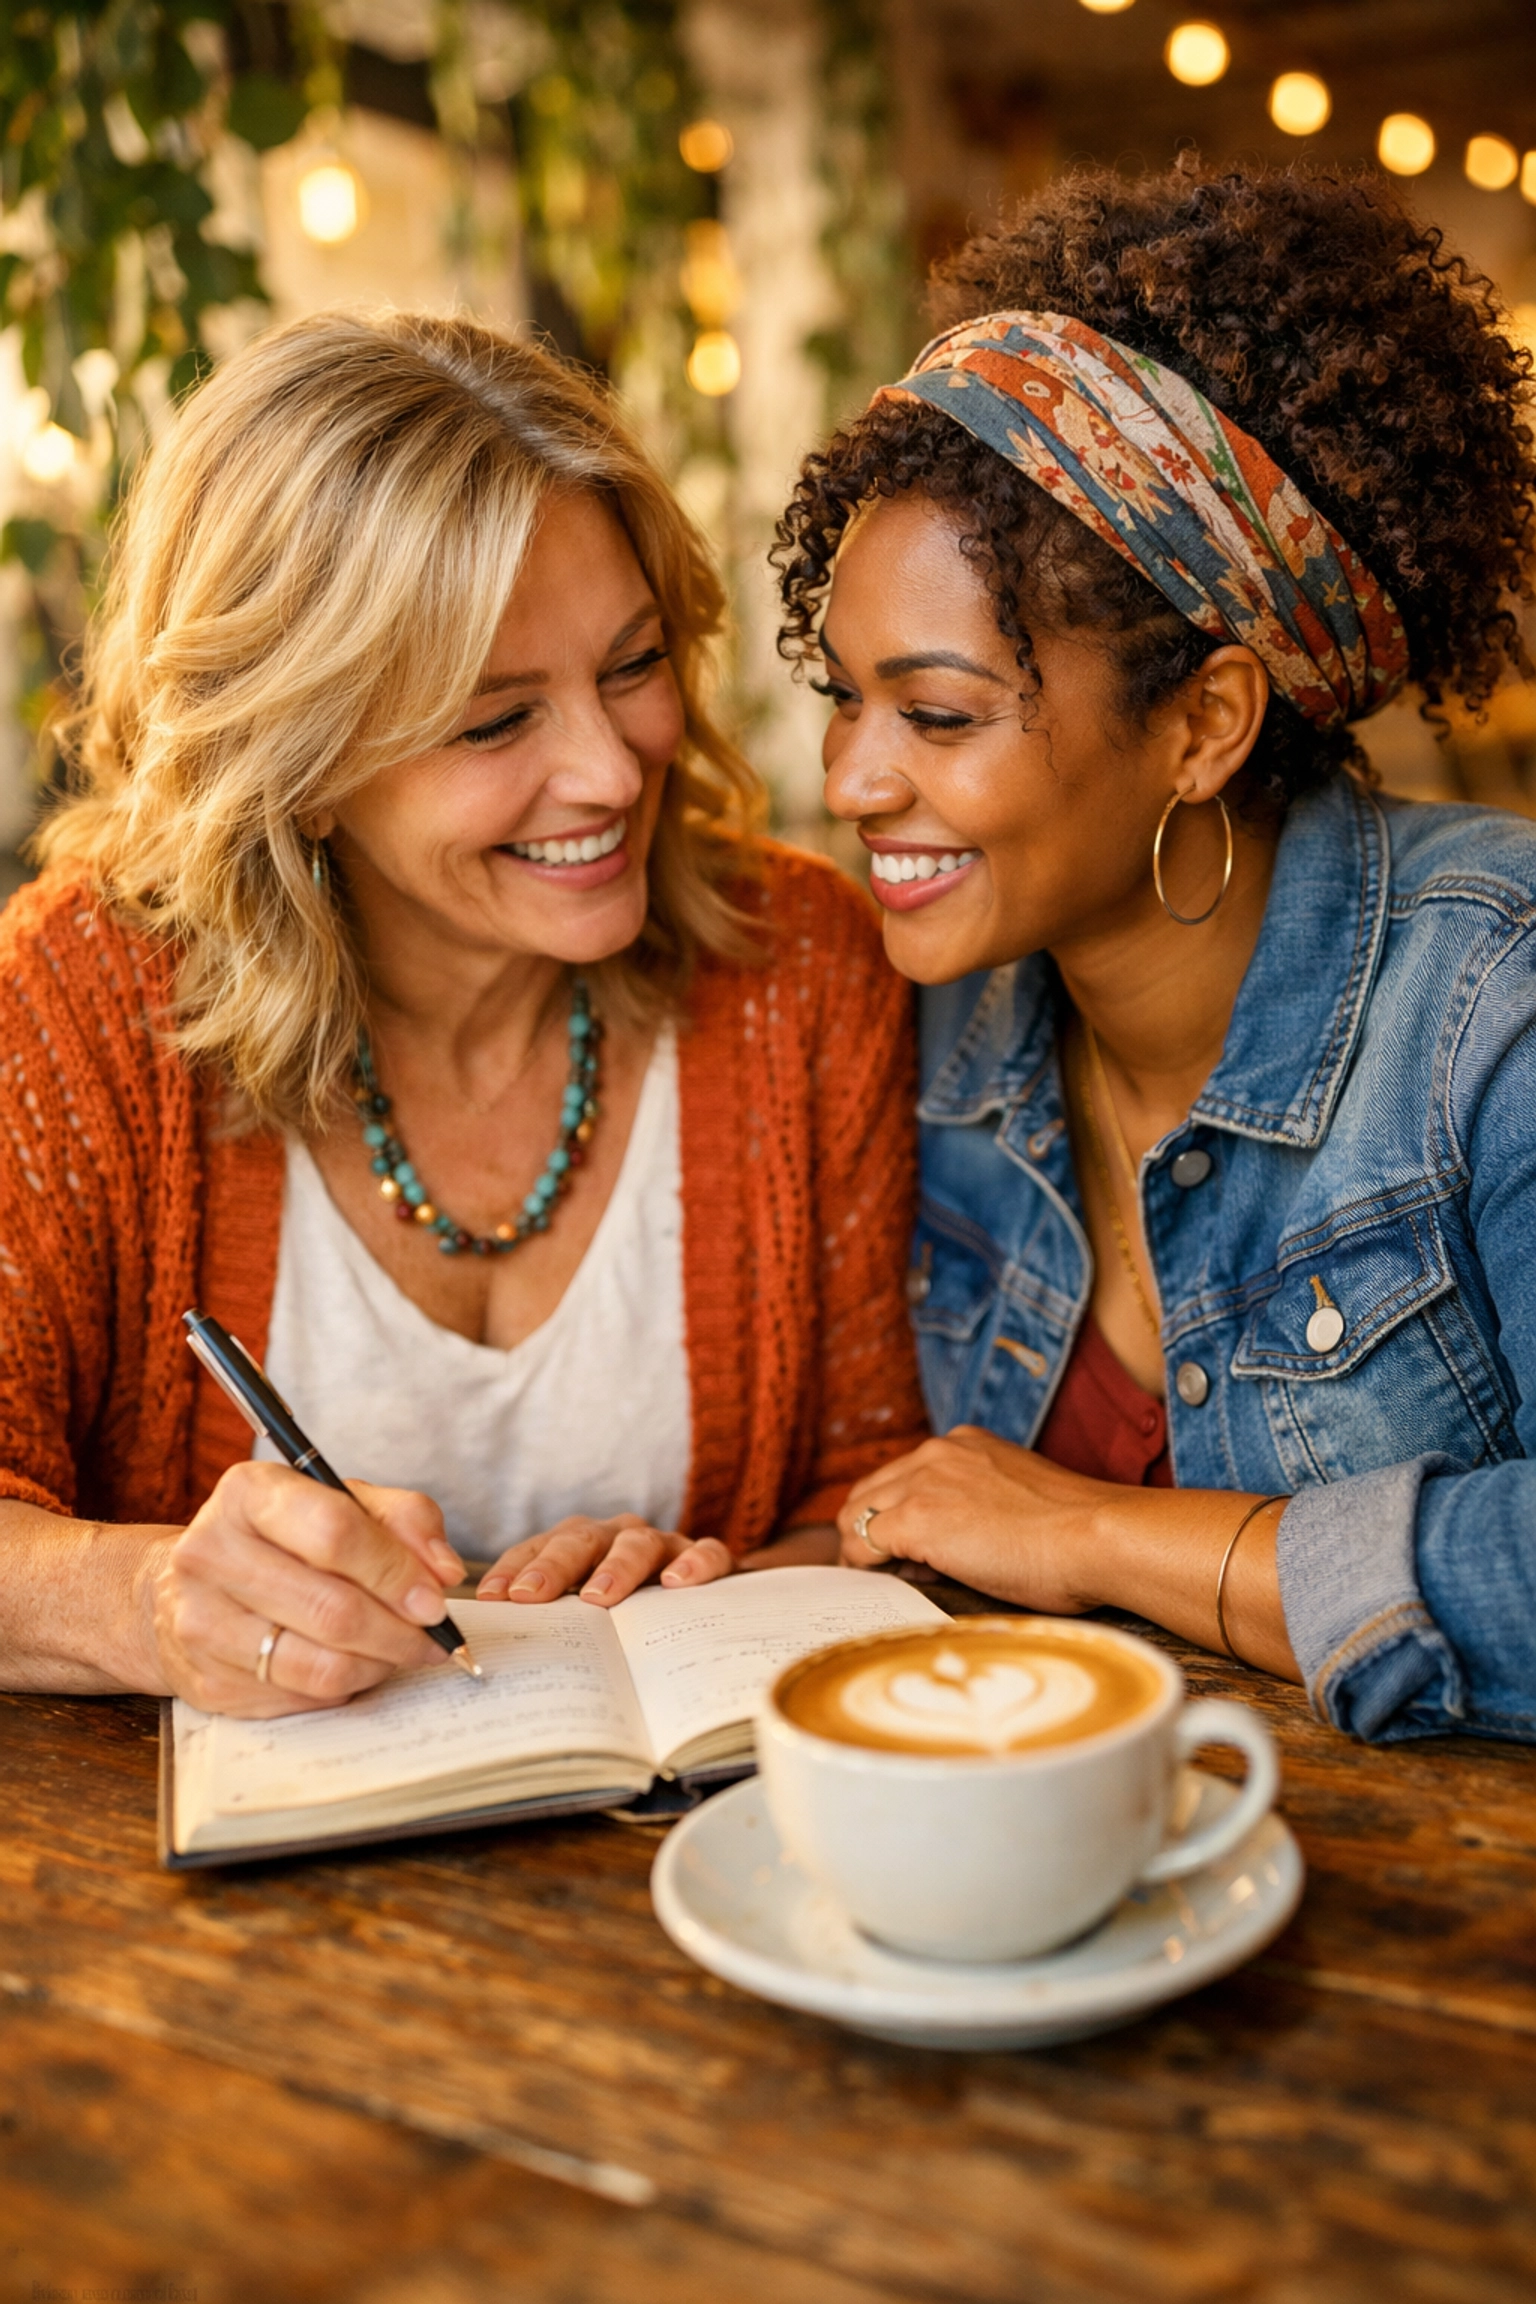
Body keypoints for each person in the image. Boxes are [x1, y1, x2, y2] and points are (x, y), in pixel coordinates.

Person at [0, 311, 924, 1716]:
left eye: (631, 667)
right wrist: (147, 1600)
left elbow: (877, 1494)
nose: (612, 773)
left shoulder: (802, 968)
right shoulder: (77, 1007)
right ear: (296, 764)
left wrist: (710, 1577)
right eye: (496, 723)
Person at [775, 158, 1536, 1743]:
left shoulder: (1492, 1010)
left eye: (938, 716)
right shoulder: (940, 1033)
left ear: (1204, 724)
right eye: (844, 698)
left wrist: (1093, 1532)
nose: (852, 782)